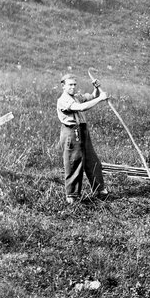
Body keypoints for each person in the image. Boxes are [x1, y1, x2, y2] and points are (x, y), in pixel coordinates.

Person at [57, 74, 109, 204]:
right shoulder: (63, 99)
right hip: (71, 133)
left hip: (83, 131)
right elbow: (81, 107)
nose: (73, 87)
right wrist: (101, 99)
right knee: (74, 163)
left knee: (92, 161)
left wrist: (96, 88)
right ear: (63, 86)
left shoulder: (76, 97)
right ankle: (72, 196)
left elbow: (92, 96)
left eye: (74, 84)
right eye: (70, 85)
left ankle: (99, 190)